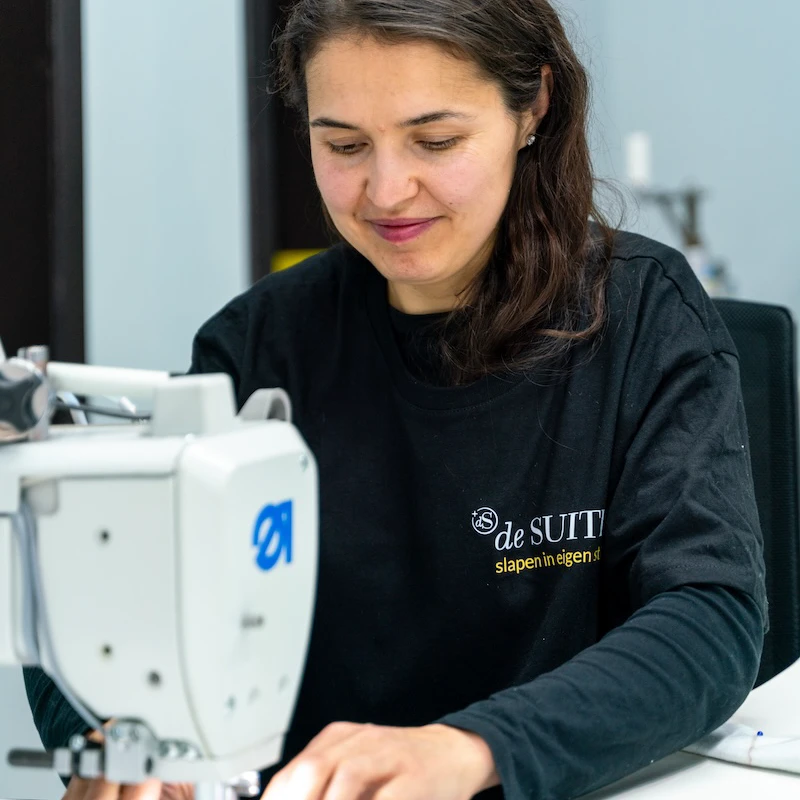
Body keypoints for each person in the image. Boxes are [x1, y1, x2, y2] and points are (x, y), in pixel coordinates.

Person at [25, 1, 767, 799]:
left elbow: (709, 616)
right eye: (343, 144)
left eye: (436, 141)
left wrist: (470, 747)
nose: (386, 190)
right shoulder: (255, 349)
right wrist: (109, 745)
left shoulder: (642, 317)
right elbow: (95, 612)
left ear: (533, 108)